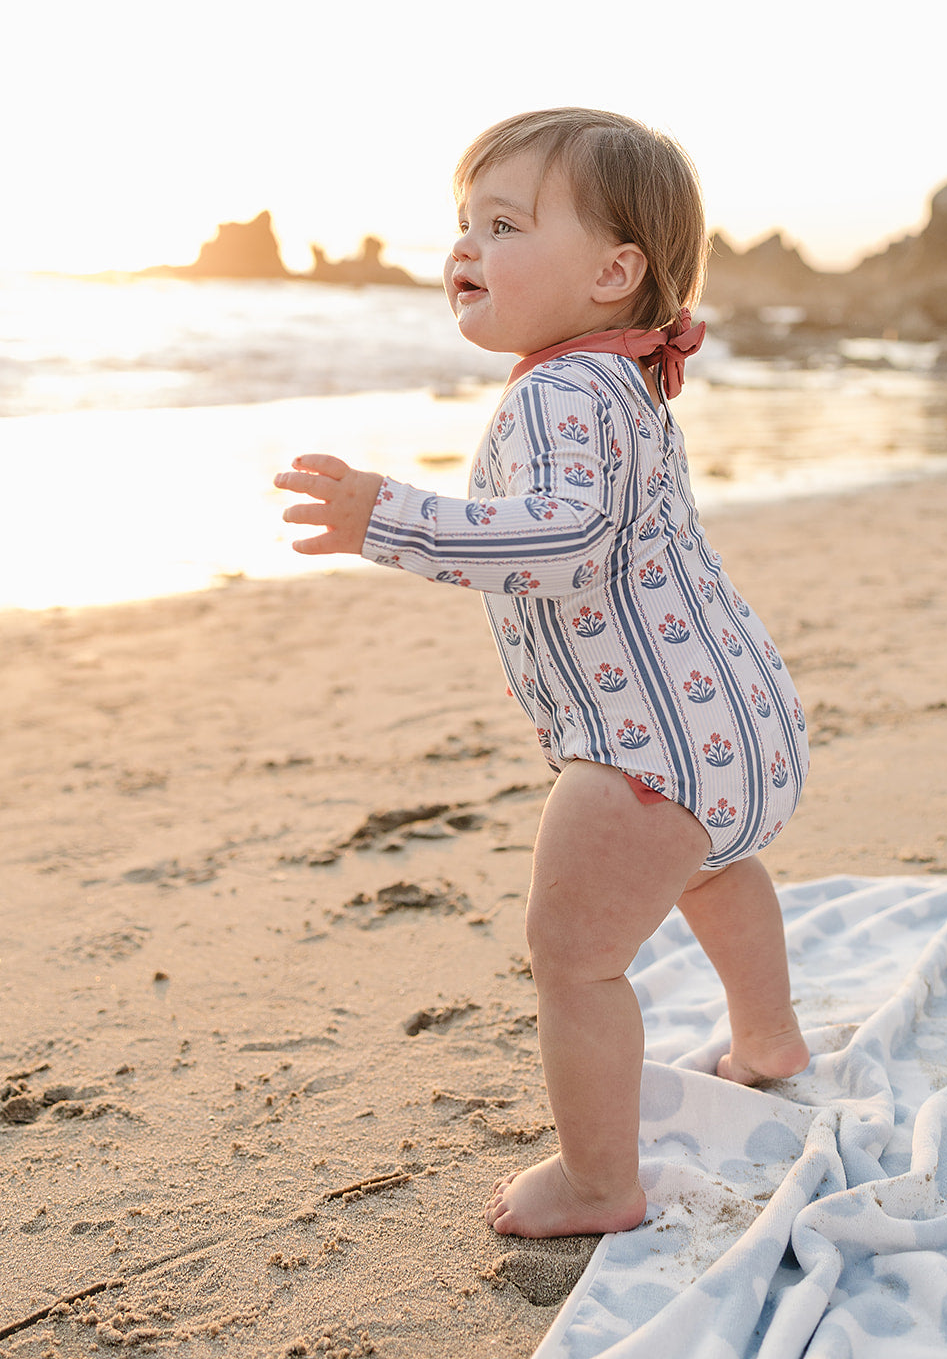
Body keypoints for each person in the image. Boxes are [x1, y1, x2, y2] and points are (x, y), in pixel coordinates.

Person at [274, 108, 810, 1241]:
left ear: (614, 272)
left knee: (574, 962)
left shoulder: (557, 393)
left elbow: (558, 541)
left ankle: (597, 1181)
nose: (465, 248)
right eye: (464, 223)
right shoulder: (620, 381)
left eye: (506, 224)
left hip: (642, 750)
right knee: (717, 872)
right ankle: (767, 1039)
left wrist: (389, 518)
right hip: (732, 726)